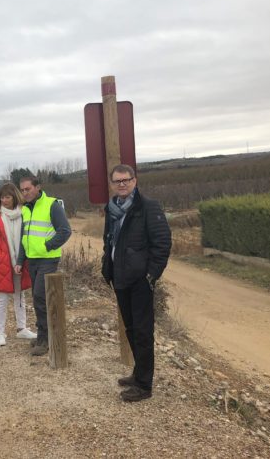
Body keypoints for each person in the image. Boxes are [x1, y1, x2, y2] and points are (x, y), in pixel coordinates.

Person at [102, 164, 171, 402]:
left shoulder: (148, 207)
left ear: (134, 180)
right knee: (131, 329)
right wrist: (106, 268)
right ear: (112, 184)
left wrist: (151, 275)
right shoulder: (111, 209)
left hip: (140, 280)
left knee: (142, 331)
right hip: (120, 278)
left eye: (126, 180)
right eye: (117, 181)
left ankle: (144, 385)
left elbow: (162, 244)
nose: (122, 184)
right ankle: (138, 373)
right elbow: (108, 242)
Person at [15, 175, 71, 356]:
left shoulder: (52, 205)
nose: (25, 193)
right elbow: (25, 238)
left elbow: (65, 231)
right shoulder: (25, 209)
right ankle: (42, 336)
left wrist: (47, 246)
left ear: (37, 187)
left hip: (48, 259)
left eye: (28, 189)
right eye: (22, 190)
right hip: (32, 260)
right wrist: (19, 260)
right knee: (37, 298)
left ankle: (46, 339)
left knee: (40, 296)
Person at [0, 183, 36, 346]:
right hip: (3, 263)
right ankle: (0, 332)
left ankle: (22, 329)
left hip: (21, 262)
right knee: (2, 298)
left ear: (14, 196)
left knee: (20, 296)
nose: (4, 200)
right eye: (2, 197)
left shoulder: (24, 212)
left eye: (7, 197)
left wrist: (23, 258)